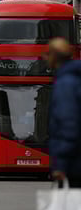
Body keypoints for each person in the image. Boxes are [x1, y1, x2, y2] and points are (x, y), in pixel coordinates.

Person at [46, 37, 81, 187]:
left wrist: (60, 164)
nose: (44, 57)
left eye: (47, 53)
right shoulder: (74, 78)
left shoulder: (65, 83)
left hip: (74, 164)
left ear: (54, 56)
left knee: (69, 208)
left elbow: (68, 125)